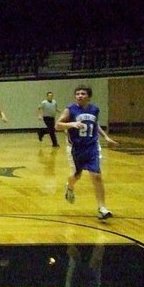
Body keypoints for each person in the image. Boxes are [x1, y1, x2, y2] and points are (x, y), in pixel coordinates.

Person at [56, 84, 117, 220]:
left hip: (92, 147)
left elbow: (95, 125)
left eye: (83, 94)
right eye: (77, 94)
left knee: (96, 176)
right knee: (76, 176)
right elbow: (57, 125)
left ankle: (102, 208)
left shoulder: (94, 109)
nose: (80, 96)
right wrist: (71, 124)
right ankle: (70, 187)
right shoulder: (70, 110)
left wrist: (106, 137)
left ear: (88, 97)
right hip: (76, 148)